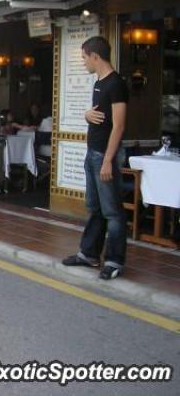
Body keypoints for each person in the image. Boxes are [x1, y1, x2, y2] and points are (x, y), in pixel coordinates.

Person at [62, 36, 128, 281]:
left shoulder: (115, 83)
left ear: (95, 57)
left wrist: (109, 160)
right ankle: (88, 253)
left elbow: (119, 125)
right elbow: (100, 117)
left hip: (105, 155)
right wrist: (86, 114)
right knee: (94, 207)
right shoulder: (98, 82)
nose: (83, 62)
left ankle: (114, 260)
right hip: (92, 153)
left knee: (112, 211)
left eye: (83, 57)